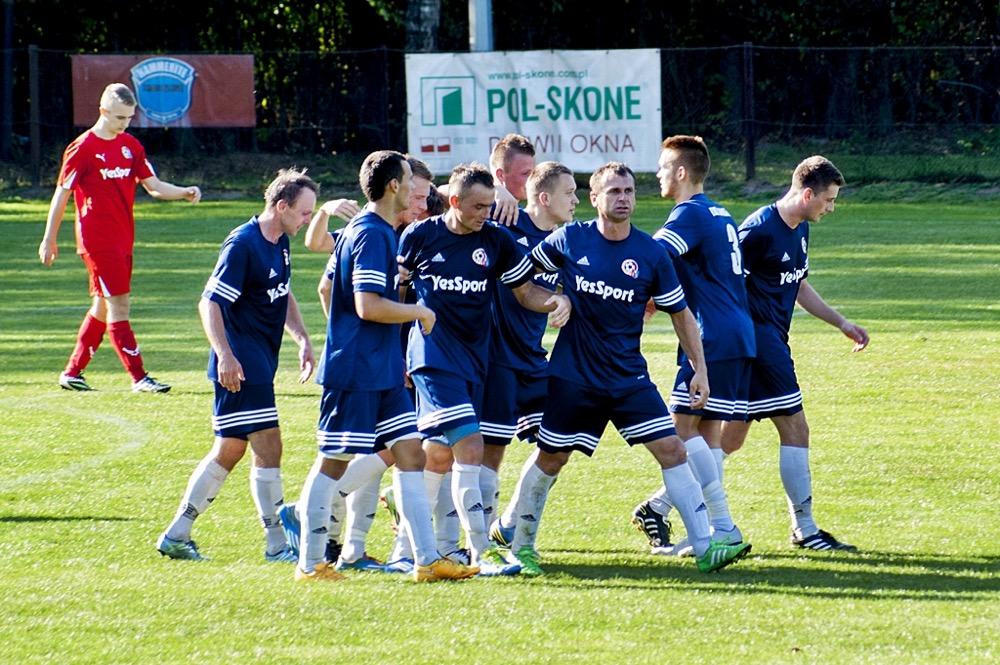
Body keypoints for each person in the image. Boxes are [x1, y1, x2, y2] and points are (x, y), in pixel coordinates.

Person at [502, 162, 752, 576]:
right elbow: (521, 281)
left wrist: (700, 370)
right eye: (614, 191)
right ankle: (521, 546)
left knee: (672, 449)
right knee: (552, 458)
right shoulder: (569, 238)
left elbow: (681, 314)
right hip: (573, 377)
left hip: (627, 377)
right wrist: (553, 300)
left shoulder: (651, 254)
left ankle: (708, 548)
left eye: (630, 191)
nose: (623, 198)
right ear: (595, 198)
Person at [291, 150, 478, 583]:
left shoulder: (375, 230)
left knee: (411, 455)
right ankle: (310, 562)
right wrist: (421, 313)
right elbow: (368, 305)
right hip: (356, 370)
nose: (418, 188)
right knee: (333, 462)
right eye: (411, 179)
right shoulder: (372, 235)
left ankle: (426, 560)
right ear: (394, 185)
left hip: (383, 368)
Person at [396, 162, 572, 575]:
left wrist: (557, 300)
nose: (485, 214)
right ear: (453, 202)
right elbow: (397, 291)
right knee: (471, 448)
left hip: (476, 361)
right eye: (477, 206)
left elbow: (525, 290)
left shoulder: (496, 240)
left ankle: (412, 549)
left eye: (490, 206)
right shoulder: (421, 236)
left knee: (437, 455)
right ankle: (482, 552)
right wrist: (397, 354)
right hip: (433, 358)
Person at [156, 168, 317, 562]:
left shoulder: (278, 240)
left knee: (228, 449)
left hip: (255, 359)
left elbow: (282, 291)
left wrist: (301, 337)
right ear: (281, 207)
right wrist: (226, 356)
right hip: (242, 365)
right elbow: (209, 302)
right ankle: (277, 543)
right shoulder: (244, 244)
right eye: (304, 213)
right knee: (269, 445)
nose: (307, 220)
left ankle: (178, 534)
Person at [721, 156, 869, 551]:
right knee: (796, 429)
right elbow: (722, 283)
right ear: (807, 193)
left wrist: (840, 322)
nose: (831, 208)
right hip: (759, 344)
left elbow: (798, 285)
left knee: (732, 438)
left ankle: (658, 506)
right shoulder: (756, 231)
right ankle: (805, 529)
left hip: (769, 341)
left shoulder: (800, 228)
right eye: (829, 200)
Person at [631, 136, 754, 555]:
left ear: (682, 172)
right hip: (737, 331)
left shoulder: (688, 214)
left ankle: (720, 526)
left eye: (664, 168)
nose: (659, 175)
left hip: (711, 335)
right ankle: (710, 527)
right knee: (708, 433)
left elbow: (651, 256)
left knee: (678, 433)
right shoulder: (719, 212)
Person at [39, 83, 201, 393]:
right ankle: (140, 378)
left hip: (122, 239)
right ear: (102, 112)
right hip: (97, 241)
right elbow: (62, 195)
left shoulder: (130, 146)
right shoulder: (82, 147)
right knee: (119, 306)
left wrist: (184, 192)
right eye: (118, 118)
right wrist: (50, 238)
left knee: (102, 306)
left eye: (128, 118)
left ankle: (72, 372)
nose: (124, 124)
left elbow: (152, 185)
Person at [483, 162, 578, 546]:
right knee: (492, 452)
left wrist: (566, 300)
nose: (576, 200)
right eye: (569, 193)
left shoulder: (566, 243)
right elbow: (444, 193)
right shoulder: (505, 222)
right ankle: (483, 545)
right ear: (544, 198)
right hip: (496, 358)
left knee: (560, 443)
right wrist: (495, 188)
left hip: (534, 361)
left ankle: (507, 524)